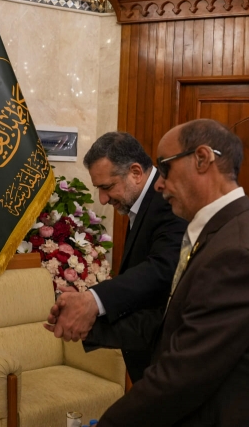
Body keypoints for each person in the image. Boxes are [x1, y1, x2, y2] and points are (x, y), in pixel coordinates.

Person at [81, 119, 249, 426]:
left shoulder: (238, 254)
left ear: (202, 159)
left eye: (165, 168)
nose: (158, 184)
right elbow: (169, 322)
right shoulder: (222, 232)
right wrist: (93, 326)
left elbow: (183, 376)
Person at [45, 131, 187, 383]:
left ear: (135, 172)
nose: (102, 198)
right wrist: (87, 303)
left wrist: (93, 300)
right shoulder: (141, 204)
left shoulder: (167, 202)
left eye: (107, 187)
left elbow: (161, 270)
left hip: (169, 365)